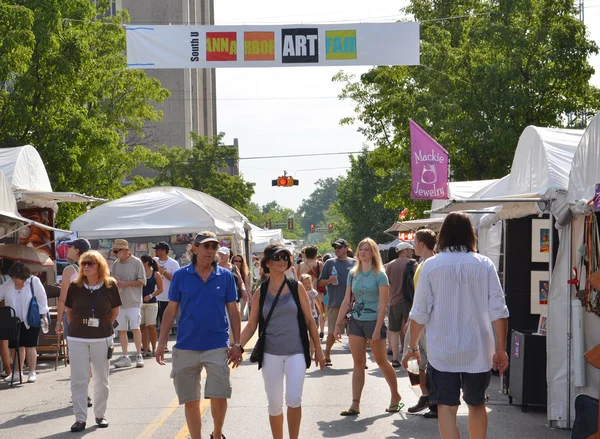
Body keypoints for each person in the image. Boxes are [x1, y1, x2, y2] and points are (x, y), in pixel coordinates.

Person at [403, 213, 510, 439]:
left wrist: (412, 348)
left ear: (443, 236)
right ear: (470, 234)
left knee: (446, 407)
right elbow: (499, 310)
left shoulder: (431, 266)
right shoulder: (484, 264)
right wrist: (501, 348)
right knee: (477, 404)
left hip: (442, 350)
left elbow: (420, 312)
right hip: (479, 350)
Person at [156, 231, 242, 439]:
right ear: (194, 249)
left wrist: (237, 343)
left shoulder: (226, 276)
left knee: (219, 394)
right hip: (186, 345)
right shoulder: (181, 276)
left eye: (213, 247)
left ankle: (217, 434)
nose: (210, 251)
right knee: (190, 399)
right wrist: (161, 343)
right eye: (205, 246)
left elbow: (233, 310)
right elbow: (170, 310)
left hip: (216, 344)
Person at [238, 245, 325, 439]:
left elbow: (310, 320)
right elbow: (252, 325)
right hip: (270, 354)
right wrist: (238, 345)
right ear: (268, 262)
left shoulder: (297, 287)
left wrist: (318, 349)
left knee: (294, 398)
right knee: (275, 404)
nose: (282, 260)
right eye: (277, 257)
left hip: (296, 352)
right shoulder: (261, 291)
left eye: (286, 256)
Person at [334, 238, 403, 416]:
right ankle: (355, 404)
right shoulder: (353, 274)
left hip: (374, 321)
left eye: (366, 249)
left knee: (381, 361)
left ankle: (395, 396)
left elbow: (383, 305)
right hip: (356, 321)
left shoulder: (380, 275)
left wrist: (377, 328)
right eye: (360, 249)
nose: (362, 252)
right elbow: (346, 300)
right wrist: (337, 324)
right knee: (358, 363)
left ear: (373, 253)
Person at [64, 251, 122, 432]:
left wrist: (103, 326)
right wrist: (81, 325)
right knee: (78, 379)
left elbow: (115, 311)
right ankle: (80, 418)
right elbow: (69, 311)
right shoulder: (75, 286)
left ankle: (100, 415)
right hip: (77, 337)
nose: (86, 266)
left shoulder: (110, 285)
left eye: (90, 263)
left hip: (102, 337)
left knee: (101, 378)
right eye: (83, 264)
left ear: (100, 266)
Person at [403, 229, 438, 416]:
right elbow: (419, 297)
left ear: (422, 244)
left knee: (429, 361)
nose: (412, 246)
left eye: (414, 242)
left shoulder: (431, 265)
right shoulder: (422, 264)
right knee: (421, 362)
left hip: (428, 322)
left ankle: (434, 401)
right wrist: (411, 319)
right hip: (420, 319)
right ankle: (427, 396)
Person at [55, 238, 93, 408]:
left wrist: (58, 321)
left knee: (77, 357)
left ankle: (80, 394)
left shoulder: (69, 270)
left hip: (74, 317)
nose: (67, 250)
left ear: (77, 250)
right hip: (93, 318)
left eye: (70, 247)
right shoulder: (95, 268)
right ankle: (85, 392)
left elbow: (63, 298)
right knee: (90, 357)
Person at [0, 261, 49, 383]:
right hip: (13, 320)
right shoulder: (8, 284)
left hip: (30, 319)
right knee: (14, 346)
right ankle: (17, 372)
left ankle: (32, 372)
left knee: (30, 346)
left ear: (24, 276)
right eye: (13, 278)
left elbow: (42, 299)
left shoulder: (34, 281)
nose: (15, 281)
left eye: (18, 279)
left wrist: (44, 317)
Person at [318, 239, 356, 366]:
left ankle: (359, 359)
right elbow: (320, 282)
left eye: (339, 247)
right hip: (335, 303)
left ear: (346, 248)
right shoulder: (330, 263)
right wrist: (328, 281)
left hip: (352, 305)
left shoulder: (355, 263)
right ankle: (327, 353)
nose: (337, 250)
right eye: (335, 248)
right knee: (332, 332)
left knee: (356, 333)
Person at [110, 239, 146, 369]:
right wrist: (114, 280)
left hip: (134, 301)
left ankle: (138, 354)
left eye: (116, 251)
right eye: (114, 251)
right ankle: (125, 356)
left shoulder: (136, 262)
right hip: (119, 302)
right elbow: (110, 279)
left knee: (135, 328)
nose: (114, 253)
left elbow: (143, 281)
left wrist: (126, 283)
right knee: (122, 330)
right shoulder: (115, 264)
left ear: (125, 250)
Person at [385, 241, 414, 368]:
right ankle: (409, 357)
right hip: (409, 302)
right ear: (405, 251)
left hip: (394, 302)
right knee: (410, 330)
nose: (412, 252)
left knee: (394, 331)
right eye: (410, 250)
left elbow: (387, 284)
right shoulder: (413, 264)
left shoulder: (389, 266)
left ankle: (395, 359)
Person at [153, 242, 179, 353]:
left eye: (157, 250)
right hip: (154, 296)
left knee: (165, 323)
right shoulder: (153, 260)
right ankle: (153, 345)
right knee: (153, 323)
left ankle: (164, 344)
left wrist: (163, 272)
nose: (155, 251)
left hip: (168, 297)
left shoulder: (173, 263)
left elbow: (176, 280)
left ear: (163, 250)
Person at [140, 255, 163, 357]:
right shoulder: (139, 274)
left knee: (151, 326)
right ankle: (145, 349)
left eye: (142, 262)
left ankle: (154, 348)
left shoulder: (155, 274)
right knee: (142, 327)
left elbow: (160, 289)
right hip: (140, 303)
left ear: (147, 263)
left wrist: (150, 295)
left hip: (152, 303)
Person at [299, 273, 324, 361]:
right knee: (302, 335)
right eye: (305, 283)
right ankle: (303, 352)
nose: (307, 285)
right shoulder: (299, 293)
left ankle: (312, 353)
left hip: (314, 316)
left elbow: (318, 304)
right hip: (302, 317)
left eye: (309, 283)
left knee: (313, 336)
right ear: (301, 284)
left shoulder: (314, 293)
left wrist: (322, 314)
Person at [231, 254, 252, 320]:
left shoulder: (245, 274)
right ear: (232, 261)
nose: (238, 263)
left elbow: (247, 287)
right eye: (236, 261)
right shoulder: (229, 271)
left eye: (240, 261)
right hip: (231, 297)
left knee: (238, 317)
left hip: (241, 297)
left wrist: (250, 299)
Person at [0, 263, 12, 378]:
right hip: (8, 313)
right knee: (6, 342)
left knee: (3, 343)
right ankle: (9, 370)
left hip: (2, 313)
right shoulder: (10, 279)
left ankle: (8, 370)